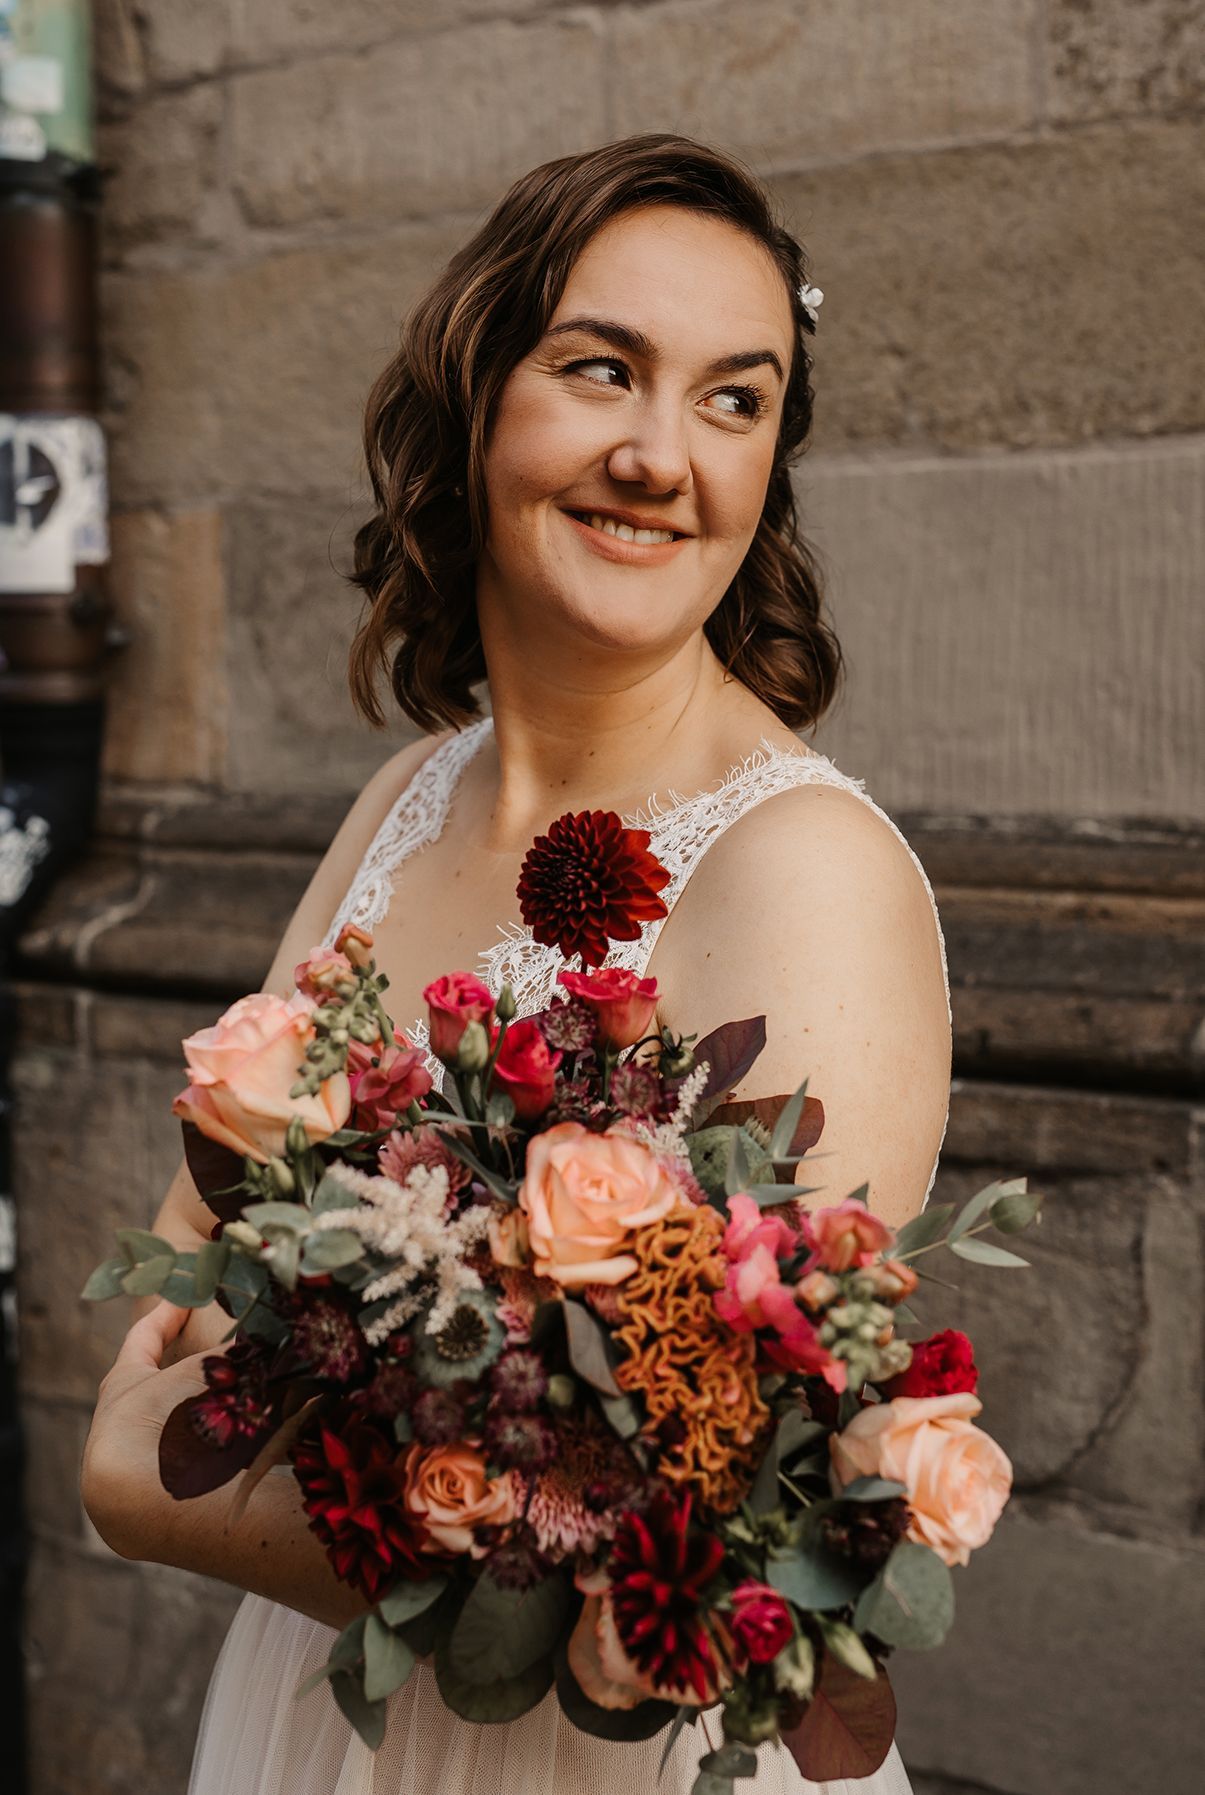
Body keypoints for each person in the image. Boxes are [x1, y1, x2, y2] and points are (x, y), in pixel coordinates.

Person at [81, 134, 952, 1793]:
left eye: (732, 399)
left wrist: (169, 1501)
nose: (657, 454)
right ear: (474, 396)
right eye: (600, 369)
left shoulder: (804, 871)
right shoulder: (403, 802)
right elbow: (189, 1257)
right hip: (320, 1725)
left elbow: (716, 1546)